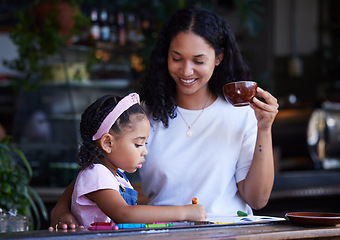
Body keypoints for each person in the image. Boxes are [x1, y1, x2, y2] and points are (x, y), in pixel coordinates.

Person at [50, 7, 279, 229]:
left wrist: (264, 128)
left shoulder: (239, 113)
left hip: (229, 232)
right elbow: (97, 170)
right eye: (176, 58)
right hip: (162, 231)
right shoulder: (143, 116)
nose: (186, 71)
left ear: (218, 58)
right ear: (165, 55)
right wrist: (61, 211)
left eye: (198, 61)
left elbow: (257, 200)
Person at [63, 93, 206, 229]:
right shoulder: (97, 174)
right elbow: (124, 214)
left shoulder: (115, 176)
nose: (145, 151)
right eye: (138, 144)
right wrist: (184, 213)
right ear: (107, 143)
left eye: (145, 144)